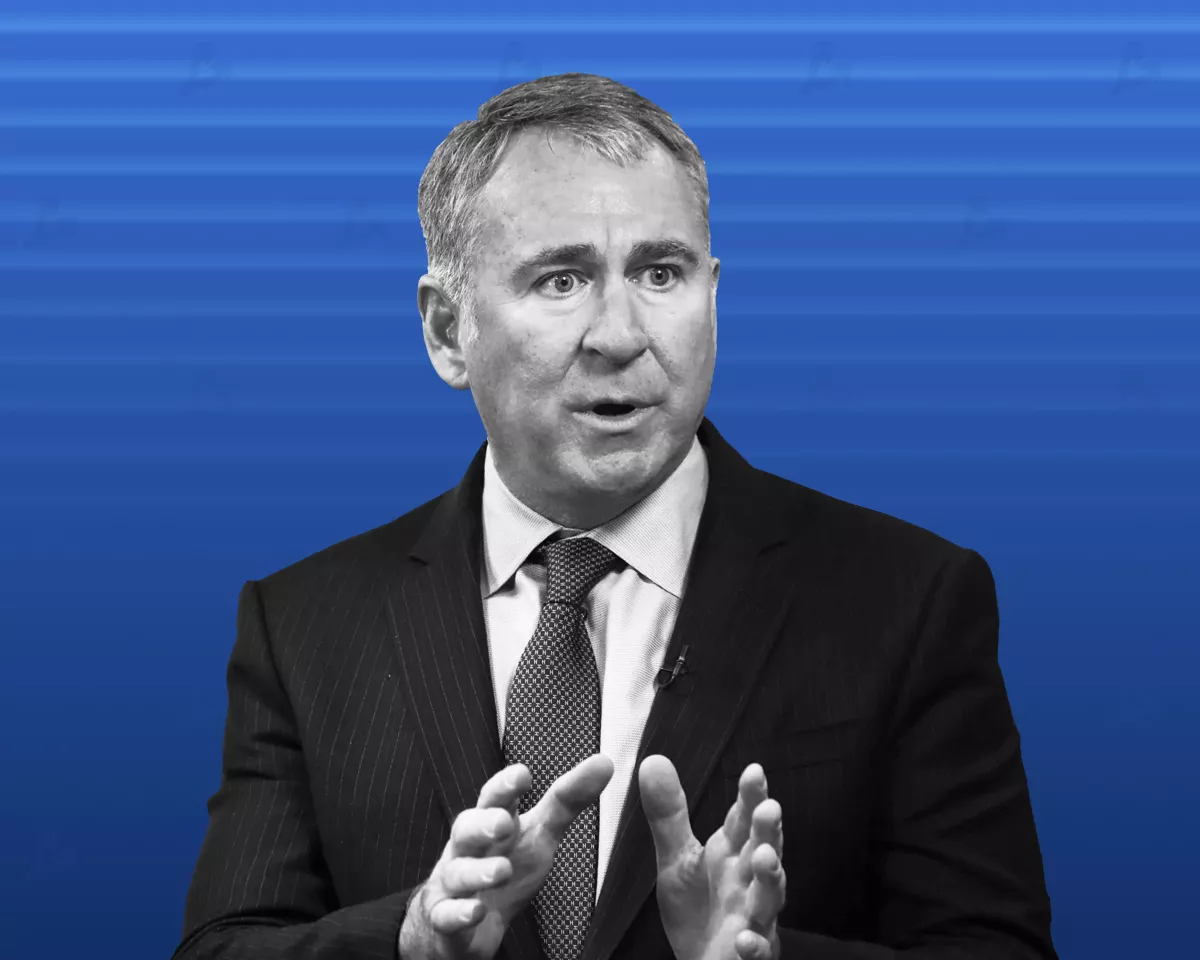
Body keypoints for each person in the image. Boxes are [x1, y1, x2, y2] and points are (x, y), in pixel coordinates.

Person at [172, 73, 1058, 960]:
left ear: (713, 294)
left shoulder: (907, 600)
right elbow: (221, 947)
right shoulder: (305, 625)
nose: (621, 335)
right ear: (447, 331)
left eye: (660, 273)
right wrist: (409, 941)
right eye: (561, 280)